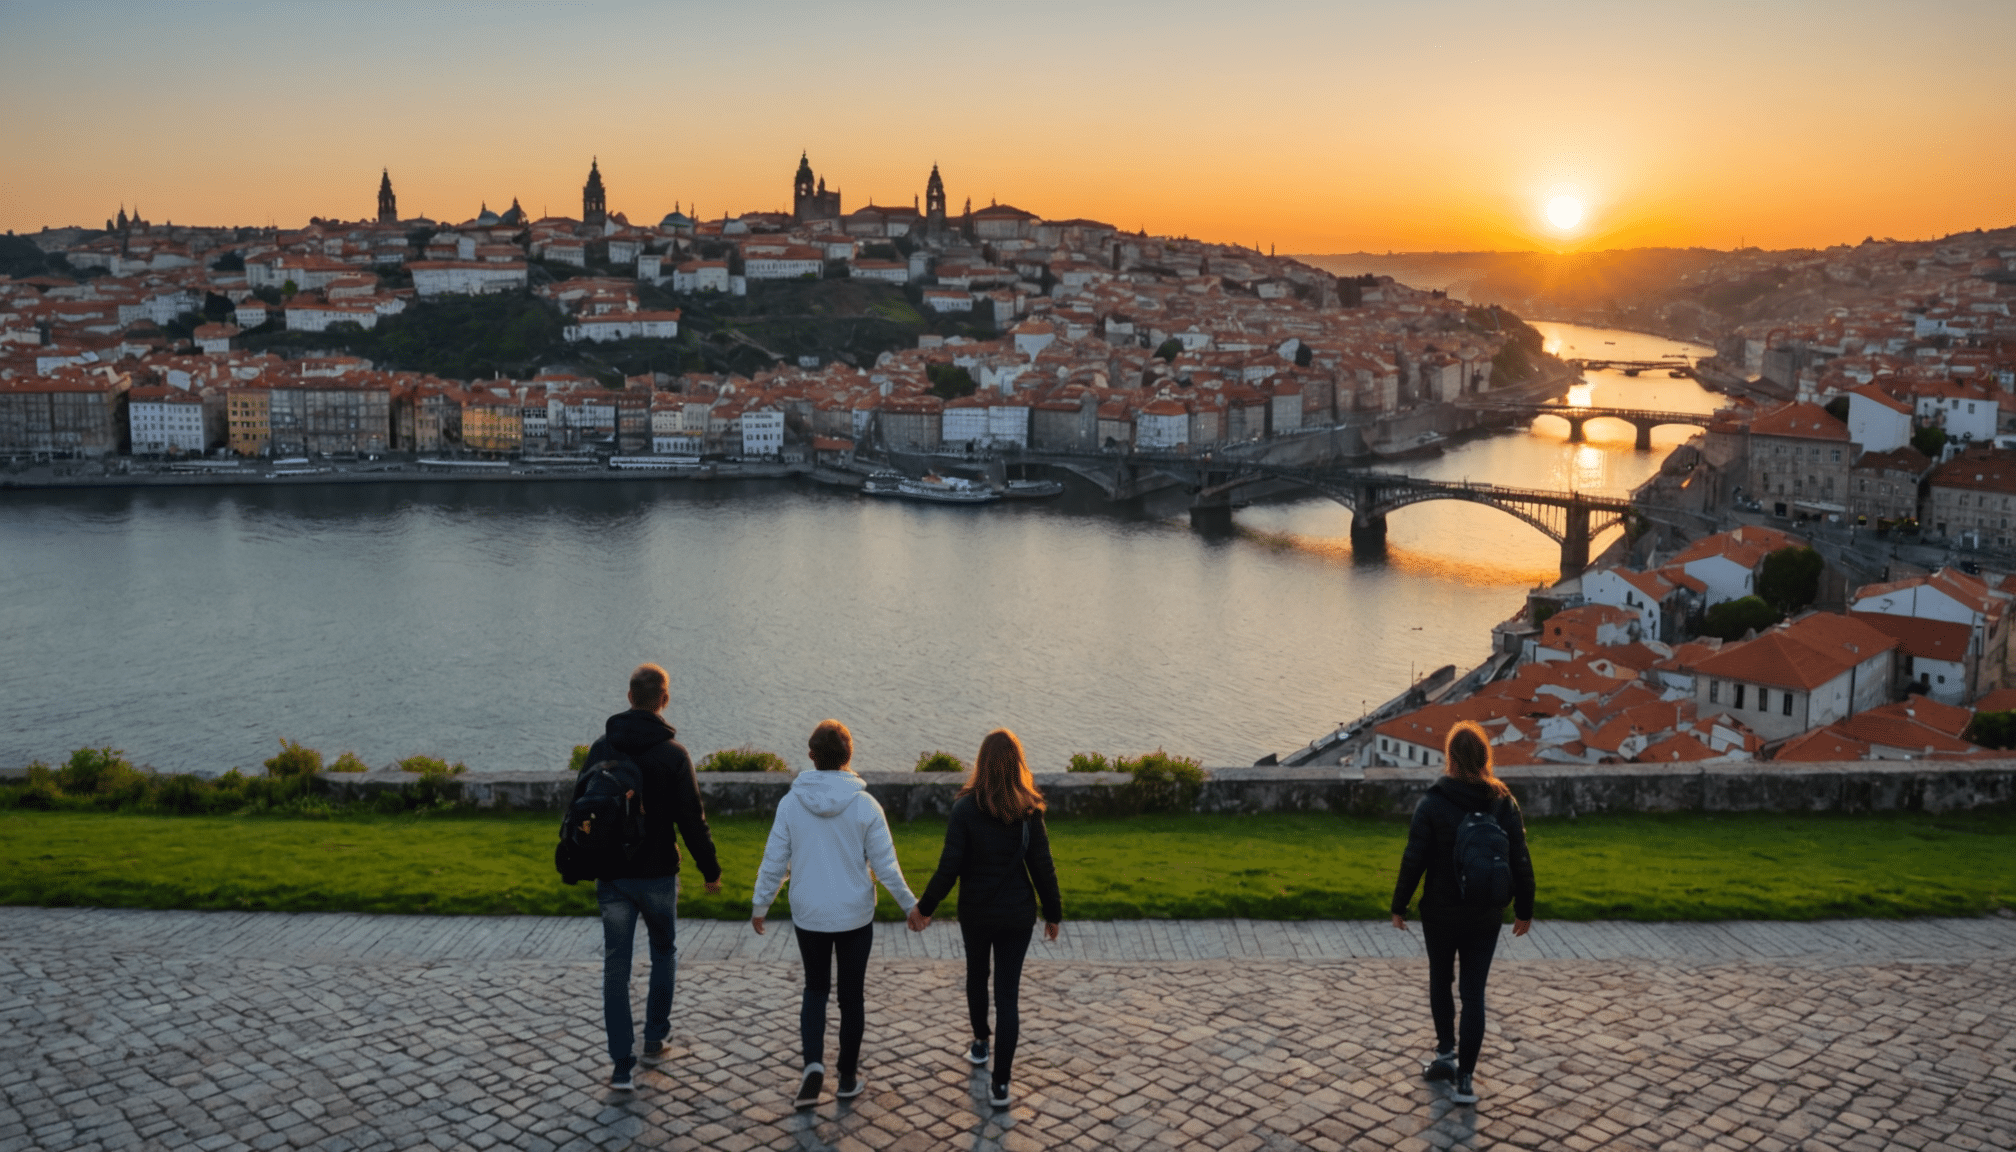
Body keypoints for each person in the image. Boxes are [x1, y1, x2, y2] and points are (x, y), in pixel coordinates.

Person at [751, 719, 924, 1111]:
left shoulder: (792, 803)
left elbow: (774, 859)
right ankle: (847, 1077)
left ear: (811, 756)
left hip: (809, 913)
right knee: (851, 996)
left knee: (815, 988)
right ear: (850, 755)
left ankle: (813, 1063)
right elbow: (886, 865)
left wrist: (761, 905)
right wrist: (910, 906)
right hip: (854, 915)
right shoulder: (865, 805)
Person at [577, 663, 723, 1093]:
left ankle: (621, 1065)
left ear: (628, 698)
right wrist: (710, 870)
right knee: (664, 951)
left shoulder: (601, 748)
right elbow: (692, 820)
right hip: (658, 872)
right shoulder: (674, 754)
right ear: (664, 699)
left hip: (613, 875)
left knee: (616, 965)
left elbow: (580, 808)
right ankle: (655, 1038)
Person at [914, 729, 1063, 1111]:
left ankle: (981, 1042)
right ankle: (1001, 1085)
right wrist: (1053, 913)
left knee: (977, 975)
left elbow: (949, 868)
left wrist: (924, 908)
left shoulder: (965, 809)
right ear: (1018, 764)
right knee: (1008, 996)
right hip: (1017, 915)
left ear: (981, 762)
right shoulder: (1029, 810)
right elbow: (1043, 868)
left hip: (977, 913)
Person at [1390, 720, 1535, 1106]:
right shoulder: (1503, 802)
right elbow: (1520, 859)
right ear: (1485, 756)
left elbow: (1413, 859)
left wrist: (1399, 905)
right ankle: (1466, 1079)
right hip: (1485, 912)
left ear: (1449, 757)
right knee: (1474, 995)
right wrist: (1525, 908)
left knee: (1442, 980)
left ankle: (1445, 1055)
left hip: (1440, 912)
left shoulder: (1433, 803)